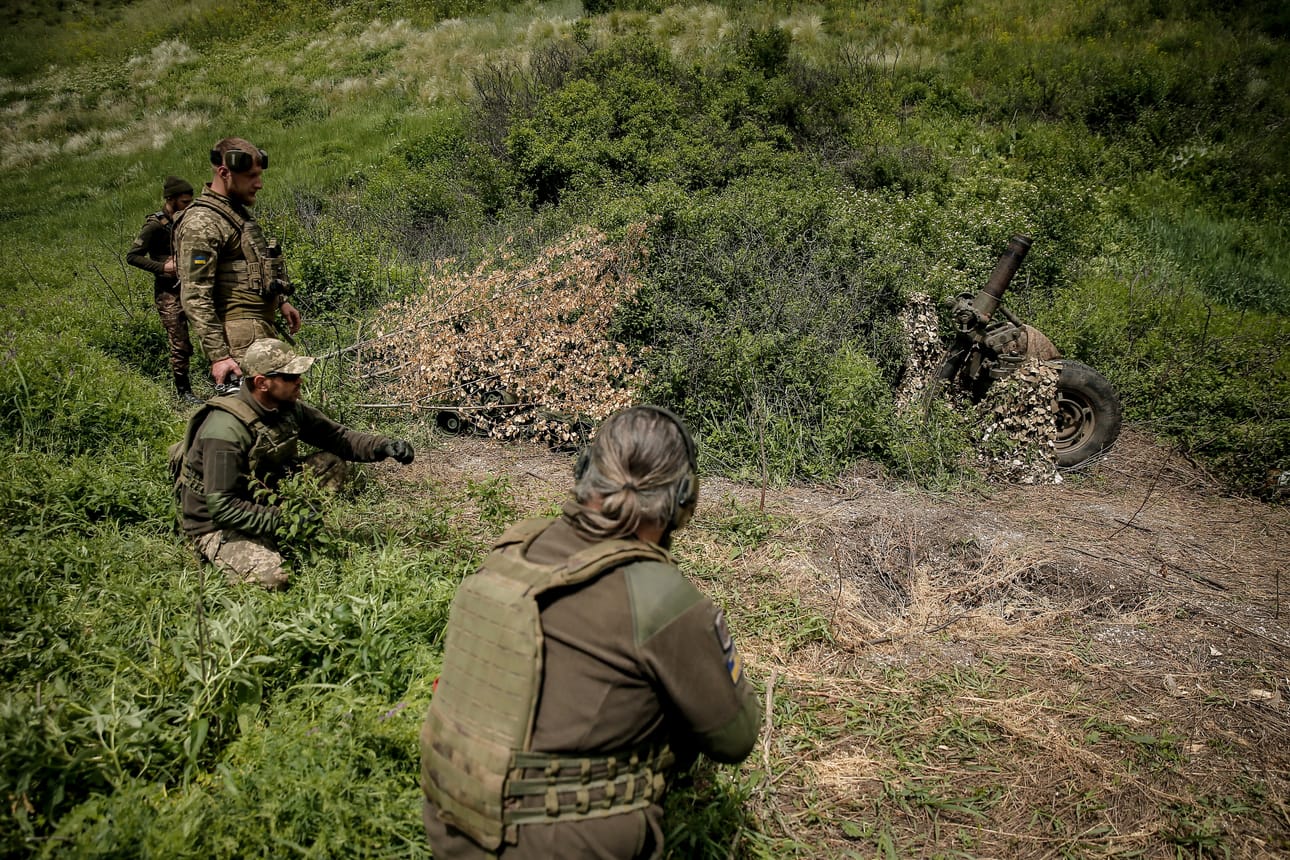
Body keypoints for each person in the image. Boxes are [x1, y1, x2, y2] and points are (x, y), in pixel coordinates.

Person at [420, 406, 761, 859]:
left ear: (584, 471)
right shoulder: (663, 598)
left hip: (450, 825)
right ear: (684, 499)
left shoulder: (513, 545)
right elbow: (735, 739)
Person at [177, 338, 414, 590]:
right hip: (216, 523)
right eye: (290, 376)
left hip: (262, 496)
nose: (299, 381)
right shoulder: (225, 429)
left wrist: (383, 446)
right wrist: (286, 519)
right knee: (275, 578)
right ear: (262, 383)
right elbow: (223, 507)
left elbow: (338, 438)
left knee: (331, 463)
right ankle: (231, 546)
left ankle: (285, 534)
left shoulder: (286, 407)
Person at [175, 137, 301, 389]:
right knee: (256, 414)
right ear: (224, 173)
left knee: (280, 409)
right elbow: (195, 295)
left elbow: (253, 266)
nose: (259, 184)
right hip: (238, 339)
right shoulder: (202, 223)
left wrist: (280, 302)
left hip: (257, 329)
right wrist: (220, 356)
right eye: (251, 176)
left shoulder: (233, 213)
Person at [126, 175, 200, 403]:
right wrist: (162, 267)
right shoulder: (155, 226)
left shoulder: (187, 220)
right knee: (179, 342)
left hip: (193, 286)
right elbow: (132, 256)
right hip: (169, 292)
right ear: (171, 200)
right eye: (184, 202)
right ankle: (184, 391)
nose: (189, 206)